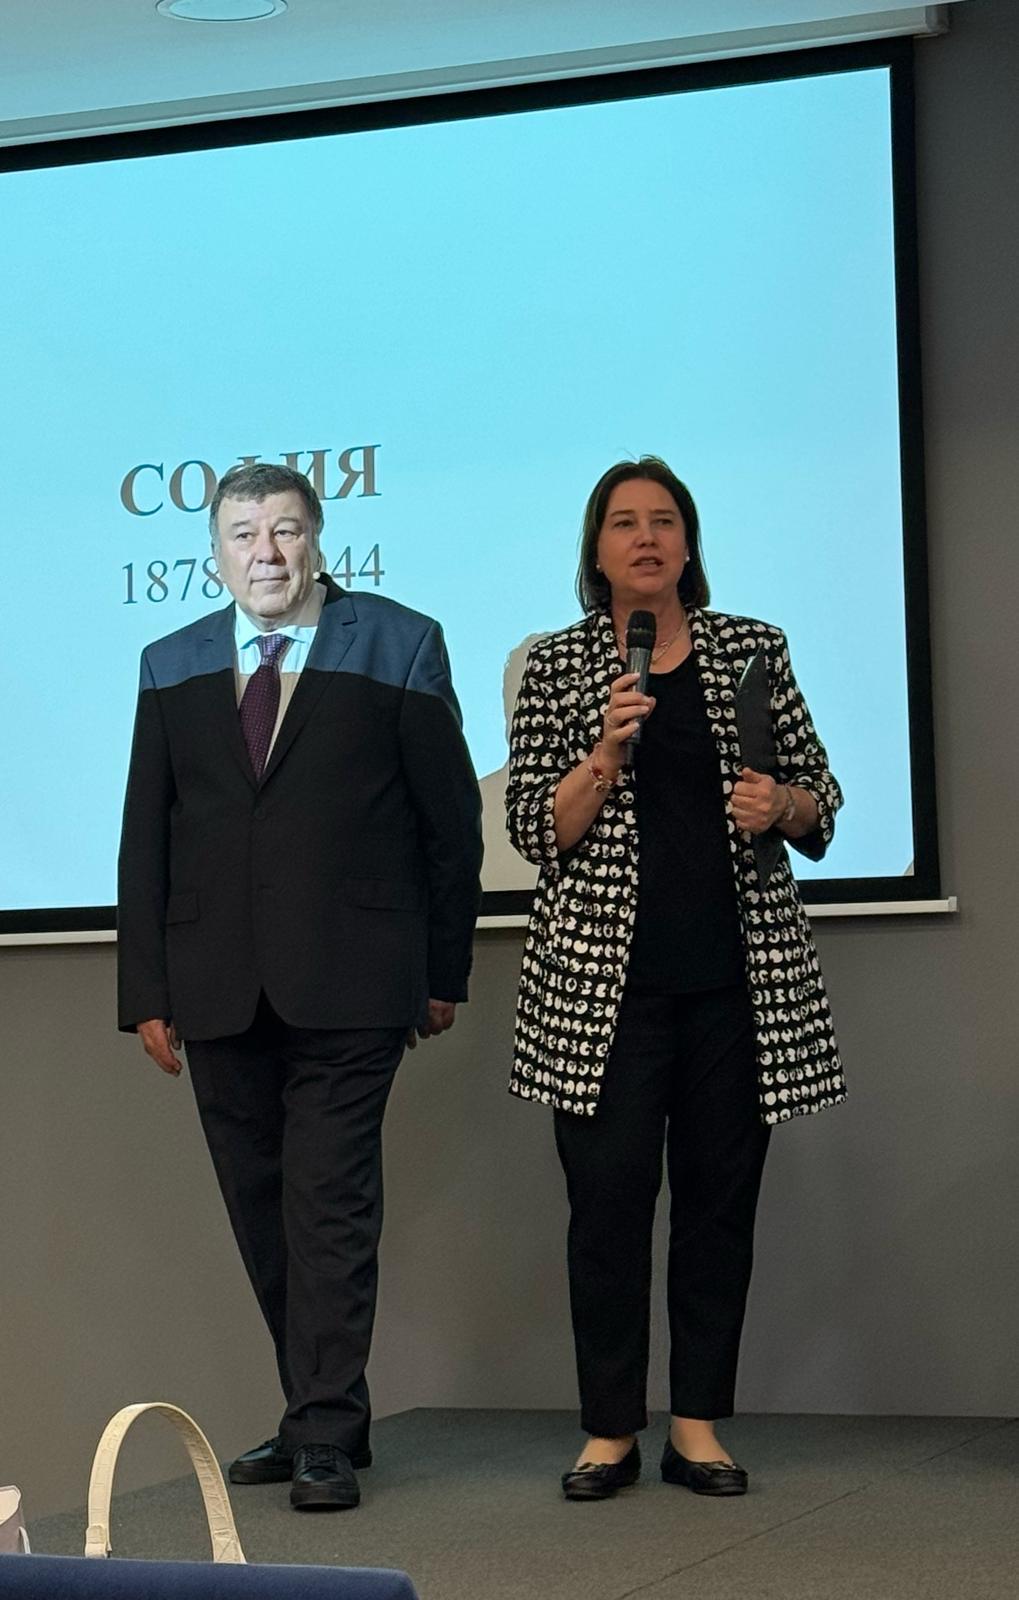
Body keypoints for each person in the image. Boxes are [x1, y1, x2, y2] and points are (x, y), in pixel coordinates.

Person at [118, 461, 482, 1511]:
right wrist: (146, 988)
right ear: (215, 555)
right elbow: (148, 834)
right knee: (263, 1211)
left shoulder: (399, 642)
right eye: (243, 535)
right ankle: (320, 1411)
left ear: (317, 541)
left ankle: (320, 1428)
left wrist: (442, 968)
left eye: (284, 530)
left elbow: (449, 823)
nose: (266, 553)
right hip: (214, 986)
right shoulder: (169, 661)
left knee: (328, 1204)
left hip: (356, 980)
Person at [505, 456, 844, 1502]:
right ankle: (609, 1429)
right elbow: (533, 830)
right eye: (624, 523)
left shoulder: (751, 649)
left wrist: (782, 806)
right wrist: (603, 755)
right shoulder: (557, 664)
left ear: (687, 545)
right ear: (596, 550)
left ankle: (695, 1425)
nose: (645, 537)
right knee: (605, 1212)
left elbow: (819, 797)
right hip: (600, 995)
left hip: (734, 985)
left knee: (716, 1207)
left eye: (663, 521)